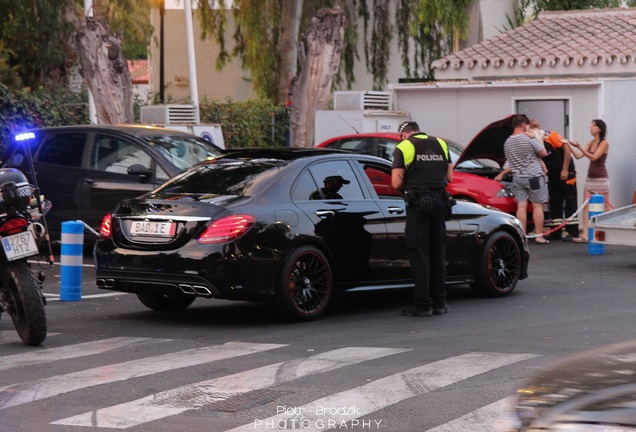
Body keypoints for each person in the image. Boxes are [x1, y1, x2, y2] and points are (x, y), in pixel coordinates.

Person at [391, 121, 453, 317]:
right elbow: (449, 177)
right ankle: (440, 303)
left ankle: (423, 304)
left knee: (419, 253)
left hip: (419, 206)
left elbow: (395, 183)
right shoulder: (441, 144)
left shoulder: (404, 147)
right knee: (437, 252)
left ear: (404, 134)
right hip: (440, 203)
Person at [494, 114, 549, 243]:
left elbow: (511, 162)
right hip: (534, 176)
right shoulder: (529, 138)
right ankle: (539, 235)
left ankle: (522, 235)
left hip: (518, 177)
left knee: (521, 207)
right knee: (537, 206)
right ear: (523, 125)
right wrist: (535, 136)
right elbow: (543, 153)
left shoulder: (507, 142)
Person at [532, 121, 579, 241]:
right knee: (555, 204)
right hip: (553, 176)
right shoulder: (532, 141)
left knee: (570, 203)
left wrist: (564, 169)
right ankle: (556, 231)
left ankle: (572, 232)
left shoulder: (551, 136)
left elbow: (567, 149)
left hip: (567, 174)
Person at [564, 119, 610, 243]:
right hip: (590, 178)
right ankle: (585, 234)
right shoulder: (590, 142)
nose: (591, 128)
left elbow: (594, 157)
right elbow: (579, 156)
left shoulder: (604, 143)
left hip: (601, 178)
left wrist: (579, 147)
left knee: (606, 206)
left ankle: (610, 230)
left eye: (593, 126)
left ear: (599, 129)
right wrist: (569, 146)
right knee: (585, 206)